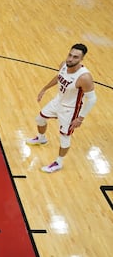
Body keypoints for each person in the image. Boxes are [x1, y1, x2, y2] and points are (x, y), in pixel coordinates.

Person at [26, 43, 97, 173]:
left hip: (70, 109)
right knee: (40, 118)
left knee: (65, 137)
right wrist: (45, 88)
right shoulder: (64, 64)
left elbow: (92, 99)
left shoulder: (84, 77)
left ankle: (58, 162)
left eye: (75, 57)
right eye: (70, 55)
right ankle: (41, 139)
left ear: (82, 59)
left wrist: (80, 118)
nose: (71, 59)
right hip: (58, 101)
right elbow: (59, 77)